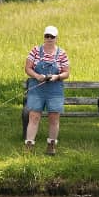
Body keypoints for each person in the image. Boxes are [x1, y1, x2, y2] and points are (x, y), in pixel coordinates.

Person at [24, 25, 70, 155]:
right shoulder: (35, 51)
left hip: (54, 90)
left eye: (52, 36)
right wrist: (37, 76)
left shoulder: (62, 53)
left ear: (56, 38)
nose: (49, 38)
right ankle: (29, 145)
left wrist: (57, 77)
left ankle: (51, 145)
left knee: (54, 118)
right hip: (37, 89)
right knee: (34, 116)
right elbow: (28, 68)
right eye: (47, 36)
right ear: (44, 37)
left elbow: (66, 73)